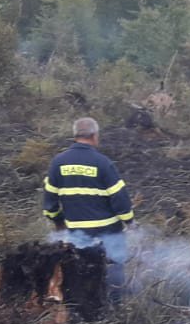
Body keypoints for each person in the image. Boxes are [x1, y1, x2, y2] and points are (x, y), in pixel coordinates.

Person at [43, 117, 133, 296]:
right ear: (94, 136)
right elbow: (120, 199)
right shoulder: (103, 163)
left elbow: (49, 202)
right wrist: (130, 222)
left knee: (80, 274)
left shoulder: (58, 163)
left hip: (77, 233)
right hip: (108, 233)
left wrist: (58, 221)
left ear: (75, 135)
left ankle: (81, 307)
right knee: (113, 273)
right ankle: (115, 307)